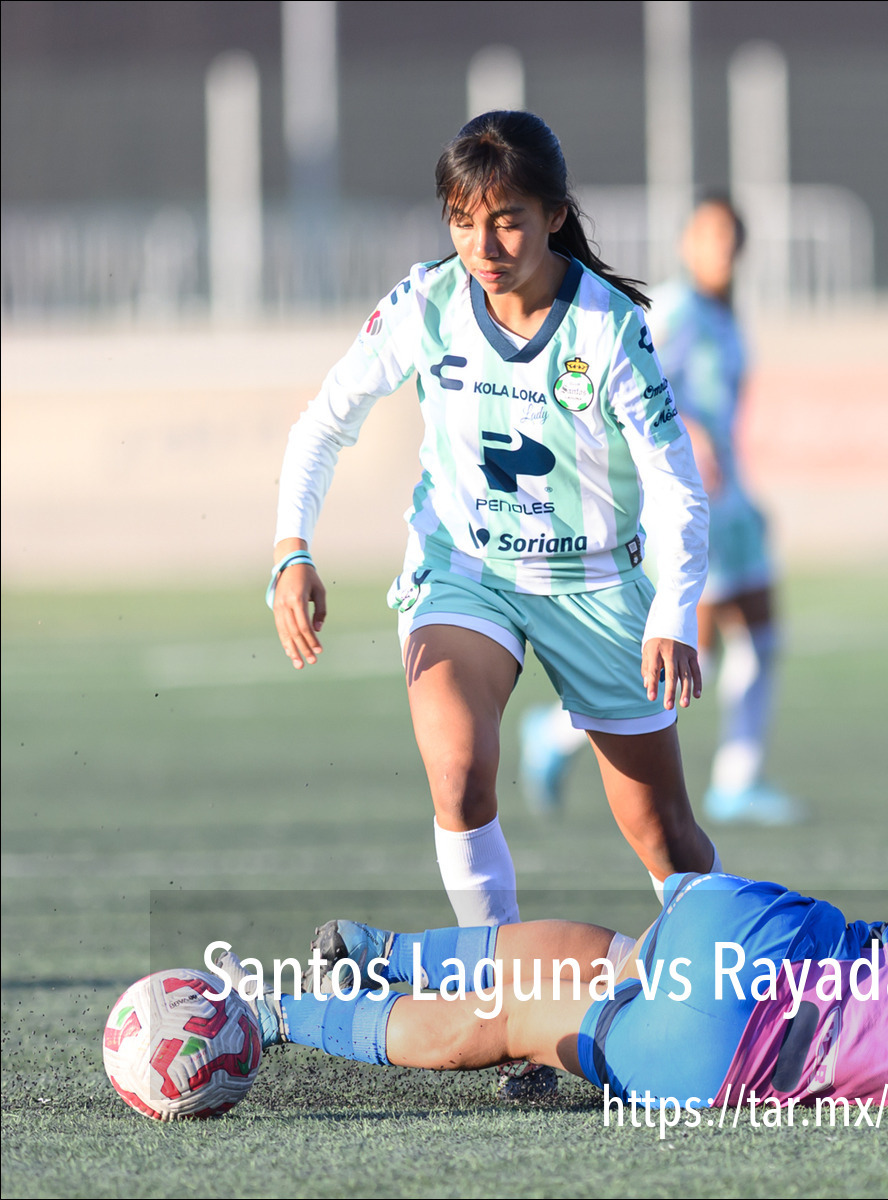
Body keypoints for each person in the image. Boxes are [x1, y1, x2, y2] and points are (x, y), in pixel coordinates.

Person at [270, 110, 722, 937]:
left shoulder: (610, 328)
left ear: (555, 214)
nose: (485, 245)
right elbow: (324, 423)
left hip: (595, 585)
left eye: (508, 220)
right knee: (459, 773)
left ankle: (746, 988)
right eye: (464, 221)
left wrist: (671, 613)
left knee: (667, 839)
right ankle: (501, 993)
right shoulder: (424, 301)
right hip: (466, 573)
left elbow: (675, 483)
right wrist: (291, 548)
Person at [210, 794, 888, 1109]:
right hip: (735, 1057)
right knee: (515, 1024)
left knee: (615, 950)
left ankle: (385, 945)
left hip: (755, 937)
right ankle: (278, 1017)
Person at [522, 196, 799, 825]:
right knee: (689, 643)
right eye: (708, 236)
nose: (719, 249)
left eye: (729, 238)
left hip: (731, 500)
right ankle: (558, 732)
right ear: (687, 244)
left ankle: (738, 779)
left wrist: (747, 495)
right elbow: (650, 386)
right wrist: (695, 437)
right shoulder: (675, 311)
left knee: (759, 630)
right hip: (692, 496)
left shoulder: (726, 318)